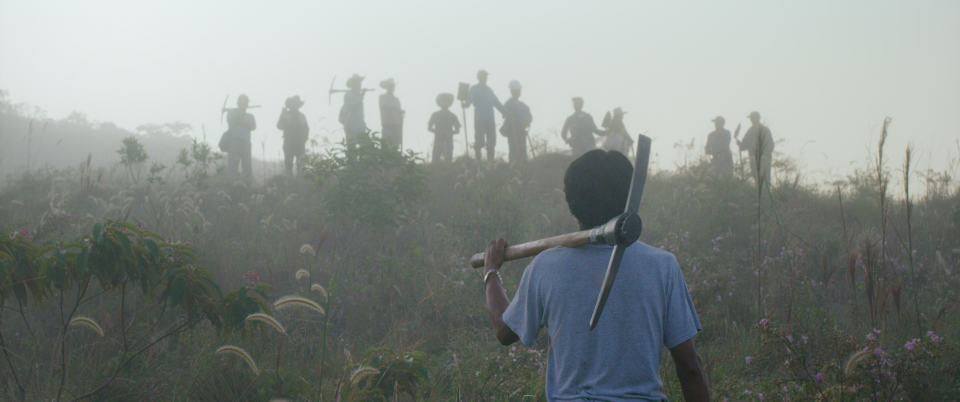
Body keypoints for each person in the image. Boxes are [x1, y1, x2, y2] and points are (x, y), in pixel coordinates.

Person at [481, 149, 710, 402]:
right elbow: (689, 367)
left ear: (571, 202)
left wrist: (491, 271)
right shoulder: (662, 266)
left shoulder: (545, 267)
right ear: (629, 197)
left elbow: (504, 331)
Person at [463, 70, 504, 161]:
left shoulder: (489, 90)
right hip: (480, 118)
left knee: (491, 142)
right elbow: (470, 98)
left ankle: (491, 162)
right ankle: (478, 161)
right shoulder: (475, 88)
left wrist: (505, 112)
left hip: (490, 119)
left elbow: (497, 103)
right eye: (482, 76)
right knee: (479, 141)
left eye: (485, 76)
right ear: (478, 77)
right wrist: (466, 104)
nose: (484, 78)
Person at [225, 94, 256, 182]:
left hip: (246, 142)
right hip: (234, 141)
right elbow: (231, 121)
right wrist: (239, 113)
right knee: (232, 165)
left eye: (246, 103)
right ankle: (231, 184)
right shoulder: (231, 112)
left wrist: (240, 123)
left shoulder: (250, 116)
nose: (245, 104)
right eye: (243, 102)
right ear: (238, 103)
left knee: (247, 165)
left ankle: (247, 185)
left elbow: (253, 127)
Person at [737, 111, 774, 185]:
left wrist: (765, 155)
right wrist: (740, 145)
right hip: (753, 158)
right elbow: (744, 145)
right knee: (756, 177)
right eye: (751, 118)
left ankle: (766, 194)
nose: (752, 120)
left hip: (764, 158)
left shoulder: (765, 130)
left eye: (753, 118)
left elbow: (770, 145)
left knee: (766, 178)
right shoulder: (750, 131)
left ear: (758, 118)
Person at [500, 80, 532, 163]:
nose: (518, 92)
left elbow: (529, 115)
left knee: (522, 150)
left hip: (522, 130)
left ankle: (523, 166)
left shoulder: (522, 105)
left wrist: (527, 120)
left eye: (519, 90)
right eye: (516, 91)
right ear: (511, 91)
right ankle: (514, 167)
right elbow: (505, 114)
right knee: (513, 150)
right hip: (512, 130)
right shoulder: (507, 104)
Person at [276, 95, 309, 176]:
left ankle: (300, 180)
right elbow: (279, 126)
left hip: (300, 143)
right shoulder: (285, 115)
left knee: (301, 164)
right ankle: (289, 180)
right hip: (289, 142)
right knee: (288, 163)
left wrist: (304, 139)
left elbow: (307, 129)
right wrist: (282, 114)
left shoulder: (302, 116)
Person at [428, 93, 461, 163]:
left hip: (448, 139)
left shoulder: (453, 116)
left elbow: (457, 130)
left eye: (447, 101)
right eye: (444, 101)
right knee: (435, 160)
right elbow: (429, 128)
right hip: (438, 139)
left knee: (448, 160)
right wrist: (438, 131)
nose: (445, 103)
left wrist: (448, 132)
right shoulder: (435, 114)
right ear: (440, 102)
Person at [341, 74, 368, 147]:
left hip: (360, 127)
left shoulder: (358, 95)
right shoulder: (348, 94)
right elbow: (353, 107)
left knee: (365, 149)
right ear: (353, 84)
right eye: (357, 82)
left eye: (360, 82)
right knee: (351, 150)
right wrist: (361, 96)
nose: (359, 84)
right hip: (350, 127)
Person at [379, 78, 404, 148]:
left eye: (393, 86)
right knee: (385, 145)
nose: (392, 88)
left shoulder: (396, 99)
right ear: (387, 87)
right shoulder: (382, 97)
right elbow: (387, 105)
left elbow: (399, 114)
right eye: (390, 86)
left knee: (396, 145)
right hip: (387, 125)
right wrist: (398, 110)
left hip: (397, 125)